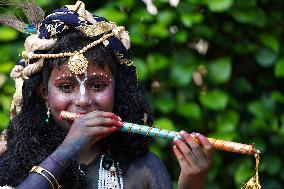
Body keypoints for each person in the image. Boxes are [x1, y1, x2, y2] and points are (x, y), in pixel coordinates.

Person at [0, 1, 213, 189]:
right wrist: (67, 151)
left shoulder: (145, 168)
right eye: (66, 87)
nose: (83, 100)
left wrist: (191, 184)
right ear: (44, 94)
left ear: (116, 91)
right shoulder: (10, 162)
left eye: (98, 85)